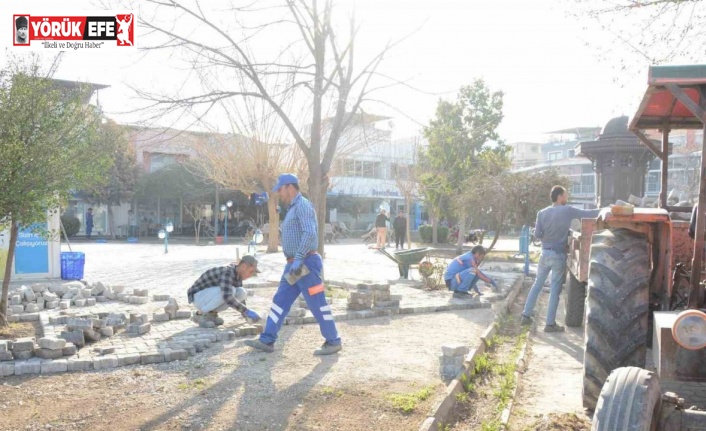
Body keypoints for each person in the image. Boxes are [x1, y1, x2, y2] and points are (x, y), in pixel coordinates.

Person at [245, 173, 342, 355]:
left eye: (280, 189)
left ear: (290, 187)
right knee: (280, 301)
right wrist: (294, 261)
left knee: (317, 304)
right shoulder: (292, 208)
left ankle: (333, 340)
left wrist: (298, 258)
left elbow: (310, 233)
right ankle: (267, 340)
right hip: (294, 266)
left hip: (306, 265)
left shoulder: (303, 206)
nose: (279, 194)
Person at [520, 186, 600, 333]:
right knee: (555, 290)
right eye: (565, 195)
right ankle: (549, 324)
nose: (566, 197)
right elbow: (588, 213)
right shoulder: (567, 210)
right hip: (558, 255)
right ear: (559, 197)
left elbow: (537, 234)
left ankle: (525, 315)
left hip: (544, 253)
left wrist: (547, 239)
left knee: (537, 284)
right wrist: (607, 209)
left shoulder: (541, 213)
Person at [187, 255, 261, 327]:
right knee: (231, 291)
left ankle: (210, 315)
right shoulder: (228, 272)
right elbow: (227, 297)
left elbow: (239, 301)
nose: (250, 275)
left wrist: (246, 315)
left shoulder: (238, 276)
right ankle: (201, 315)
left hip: (207, 297)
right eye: (251, 272)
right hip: (198, 297)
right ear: (243, 266)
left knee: (241, 292)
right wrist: (246, 311)